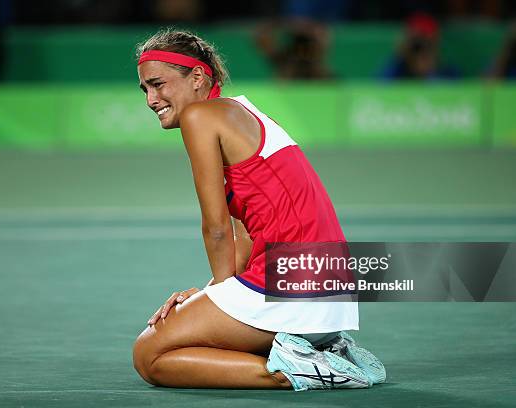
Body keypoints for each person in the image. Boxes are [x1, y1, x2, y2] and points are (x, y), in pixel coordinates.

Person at [132, 29, 385, 391]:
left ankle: (294, 372)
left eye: (158, 84)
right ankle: (321, 354)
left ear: (198, 77)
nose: (151, 99)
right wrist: (208, 295)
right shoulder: (246, 112)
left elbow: (215, 226)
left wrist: (214, 296)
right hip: (327, 291)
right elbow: (245, 236)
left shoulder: (200, 116)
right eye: (145, 89)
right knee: (179, 338)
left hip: (294, 287)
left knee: (149, 354)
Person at [381, 13, 459, 81]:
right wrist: (400, 57)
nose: (421, 47)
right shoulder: (397, 70)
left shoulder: (449, 72)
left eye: (428, 42)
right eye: (416, 41)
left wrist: (430, 72)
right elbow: (379, 85)